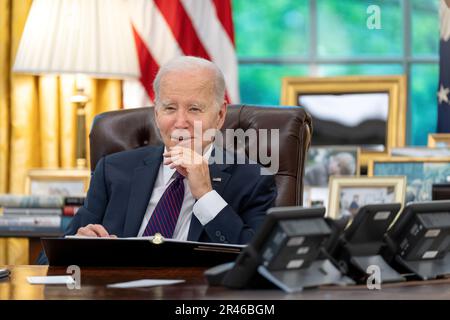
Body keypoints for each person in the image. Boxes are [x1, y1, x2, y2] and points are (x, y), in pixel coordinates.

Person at [37, 56, 277, 264]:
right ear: (156, 112)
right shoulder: (113, 170)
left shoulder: (252, 179)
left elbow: (259, 262)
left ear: (220, 115)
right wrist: (77, 248)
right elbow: (48, 258)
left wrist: (205, 194)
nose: (180, 122)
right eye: (170, 108)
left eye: (194, 109)